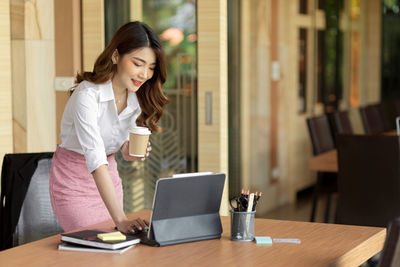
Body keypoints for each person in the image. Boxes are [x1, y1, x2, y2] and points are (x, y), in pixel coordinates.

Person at [49, 21, 169, 234]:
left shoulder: (136, 98)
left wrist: (129, 150)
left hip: (109, 179)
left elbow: (118, 147)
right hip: (73, 183)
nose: (144, 74)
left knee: (113, 248)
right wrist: (121, 219)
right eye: (138, 63)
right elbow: (95, 159)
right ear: (115, 56)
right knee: (94, 244)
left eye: (151, 68)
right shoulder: (87, 96)